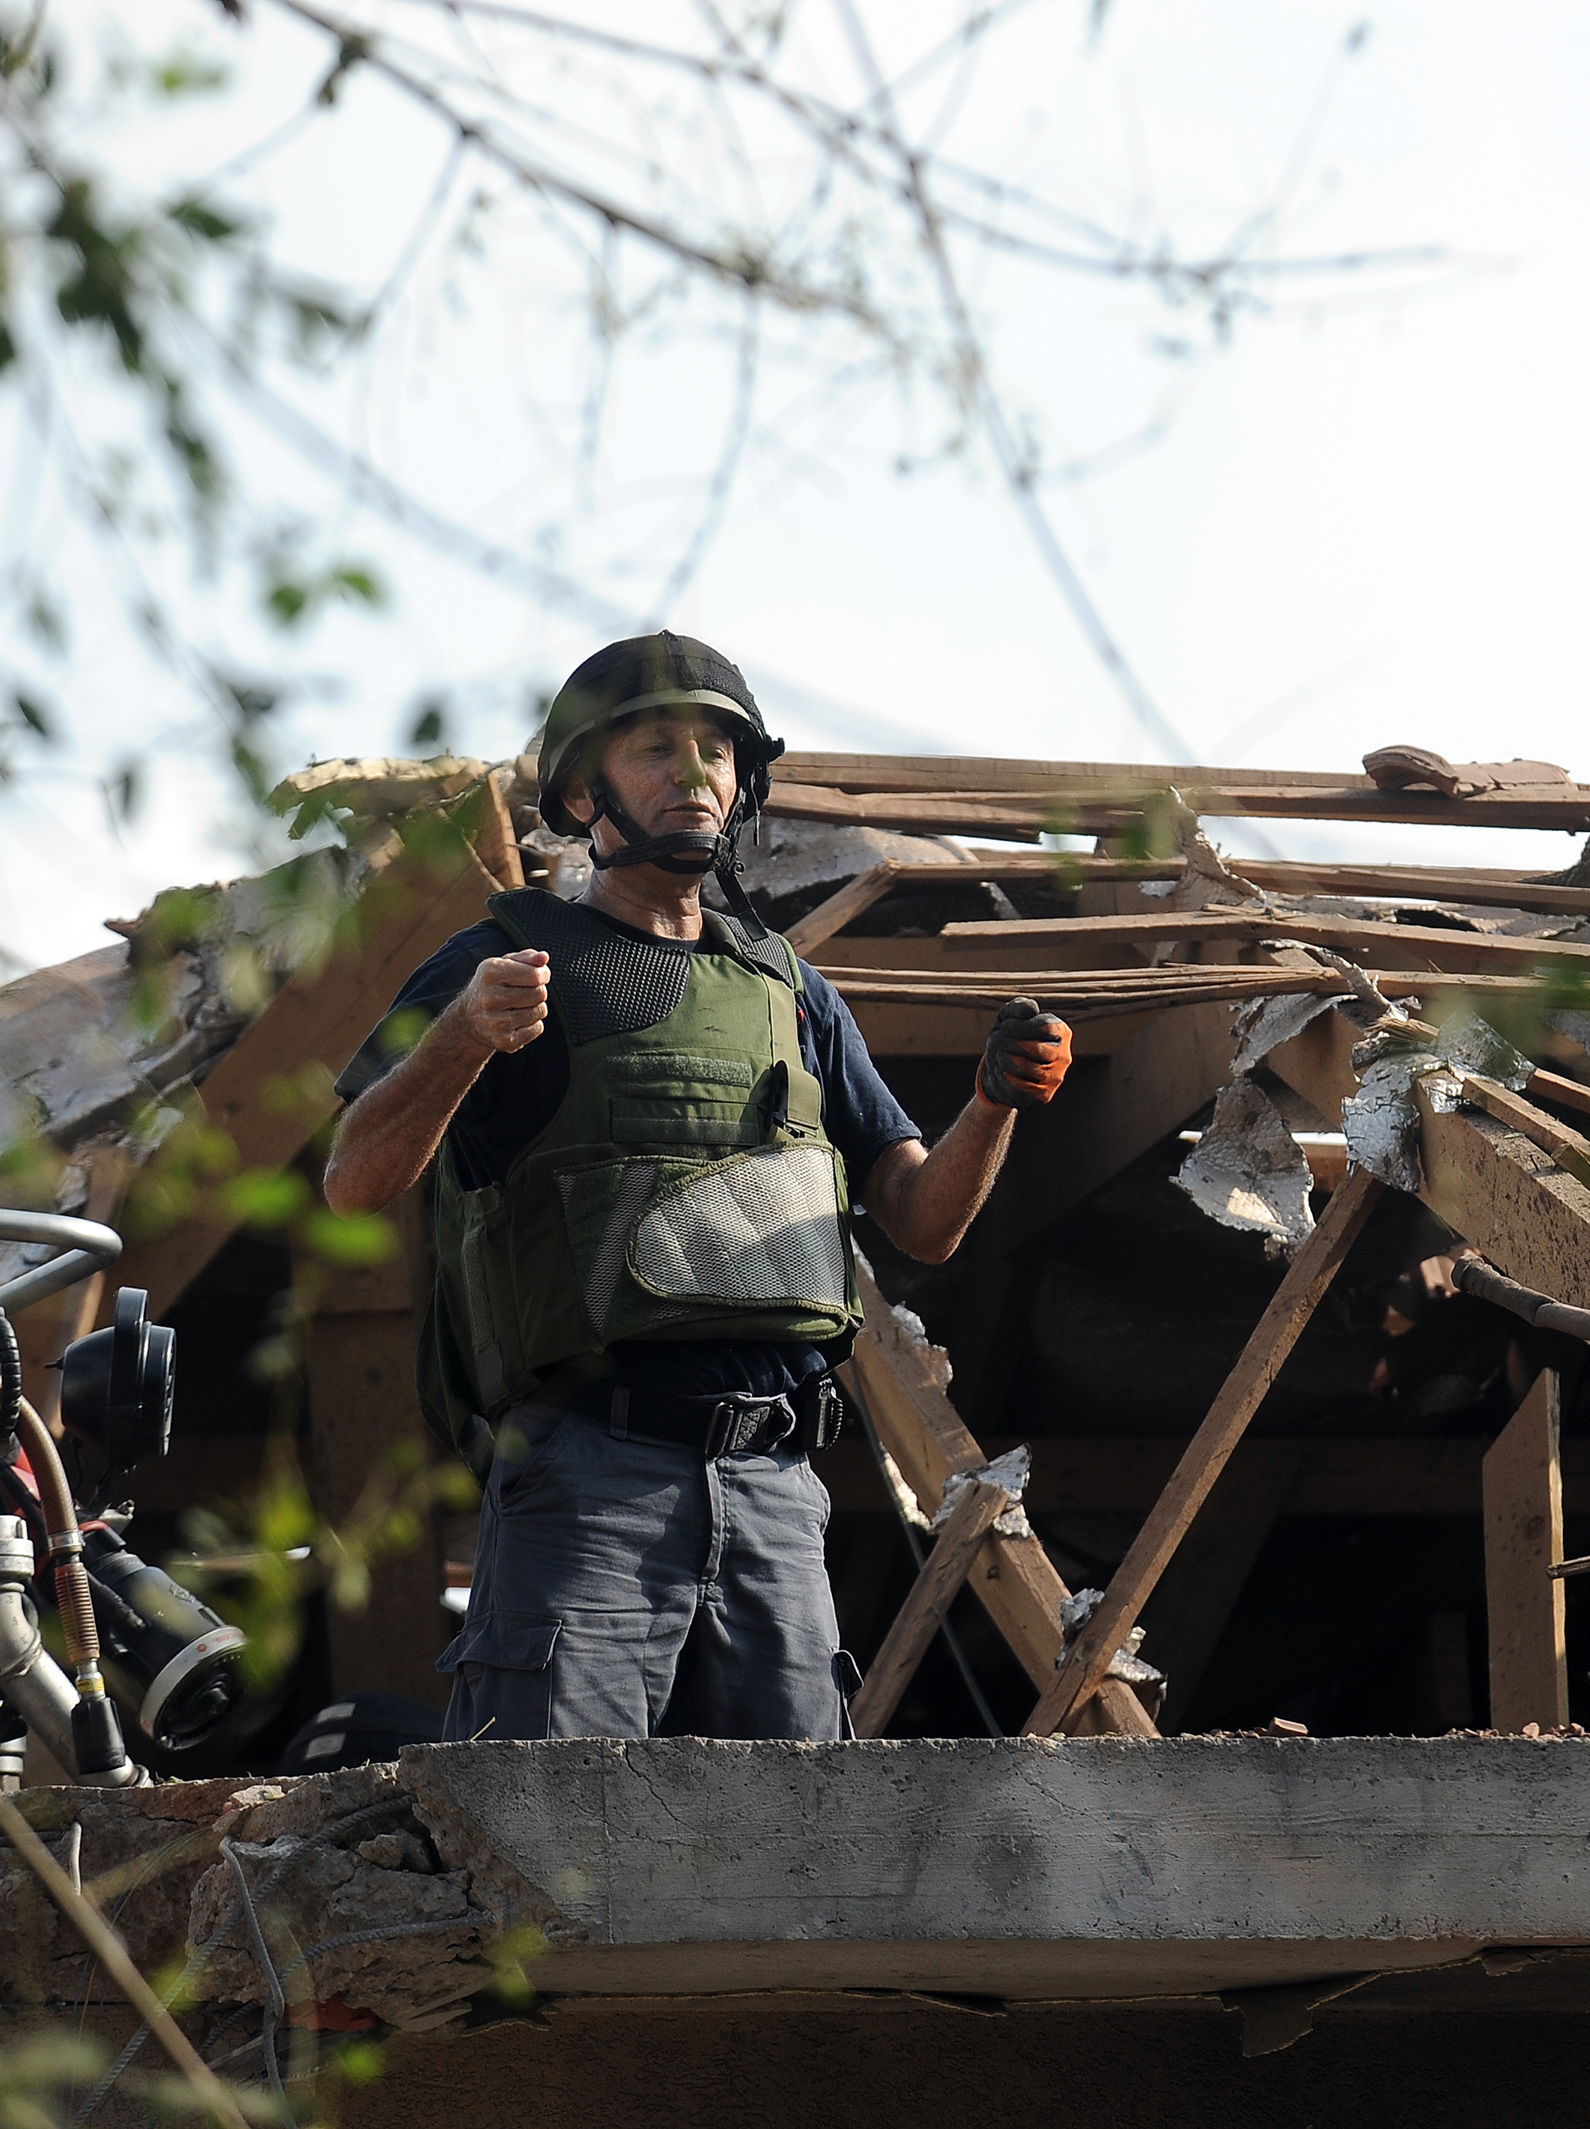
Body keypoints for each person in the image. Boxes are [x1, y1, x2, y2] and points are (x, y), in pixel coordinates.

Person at [323, 632, 1069, 1743]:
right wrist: (462, 1035)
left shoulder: (789, 988)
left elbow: (923, 1218)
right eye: (655, 749)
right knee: (555, 1820)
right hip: (588, 1474)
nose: (694, 774)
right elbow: (352, 1179)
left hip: (775, 1485)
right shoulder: (511, 958)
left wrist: (995, 1101)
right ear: (585, 791)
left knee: (798, 1831)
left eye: (716, 751)